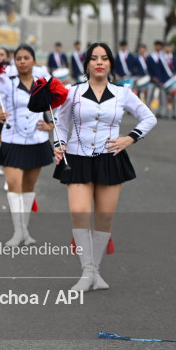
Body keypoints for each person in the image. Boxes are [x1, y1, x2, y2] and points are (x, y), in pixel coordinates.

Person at [53, 42, 157, 292]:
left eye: (104, 58)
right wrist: (59, 144)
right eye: (94, 58)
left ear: (111, 63)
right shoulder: (73, 92)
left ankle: (95, 272)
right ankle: (87, 272)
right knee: (79, 212)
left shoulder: (123, 93)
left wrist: (129, 138)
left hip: (110, 158)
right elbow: (59, 120)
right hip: (77, 158)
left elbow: (149, 117)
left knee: (104, 218)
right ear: (87, 64)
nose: (99, 62)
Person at [0, 45, 54, 245]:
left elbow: (62, 104)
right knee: (14, 184)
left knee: (28, 186)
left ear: (33, 61)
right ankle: (19, 232)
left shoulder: (43, 82)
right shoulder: (4, 82)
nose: (22, 61)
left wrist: (52, 124)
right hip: (11, 140)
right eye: (18, 58)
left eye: (27, 58)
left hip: (37, 140)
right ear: (14, 61)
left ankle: (24, 231)